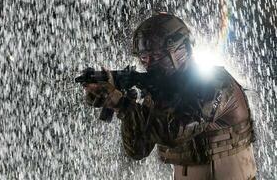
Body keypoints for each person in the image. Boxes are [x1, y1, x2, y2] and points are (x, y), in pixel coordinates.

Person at [83, 13, 257, 180]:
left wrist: (121, 102)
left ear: (183, 49)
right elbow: (138, 148)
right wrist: (122, 106)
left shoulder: (214, 82)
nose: (149, 64)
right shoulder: (160, 91)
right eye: (144, 58)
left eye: (157, 56)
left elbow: (174, 133)